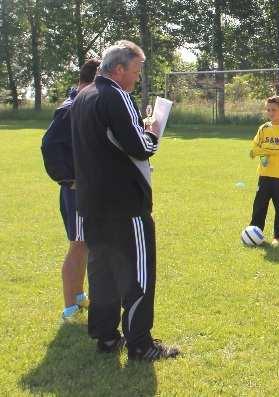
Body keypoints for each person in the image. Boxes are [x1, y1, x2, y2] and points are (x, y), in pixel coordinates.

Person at [71, 40, 179, 360]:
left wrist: (137, 130)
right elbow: (139, 148)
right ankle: (140, 344)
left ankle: (106, 337)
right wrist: (154, 131)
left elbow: (108, 142)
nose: (137, 78)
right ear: (119, 70)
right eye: (135, 71)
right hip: (126, 206)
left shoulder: (84, 95)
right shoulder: (117, 95)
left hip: (92, 204)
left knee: (102, 272)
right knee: (138, 274)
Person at [42, 59, 100, 323]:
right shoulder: (71, 108)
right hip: (76, 192)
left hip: (86, 189)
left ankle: (78, 297)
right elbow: (49, 145)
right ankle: (69, 309)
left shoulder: (81, 104)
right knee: (78, 246)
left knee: (84, 244)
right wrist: (69, 178)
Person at [249, 95, 279, 247]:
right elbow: (254, 148)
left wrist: (263, 150)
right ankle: (254, 231)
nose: (270, 112)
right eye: (268, 110)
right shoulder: (263, 128)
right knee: (259, 205)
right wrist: (263, 152)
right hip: (264, 174)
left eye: (274, 110)